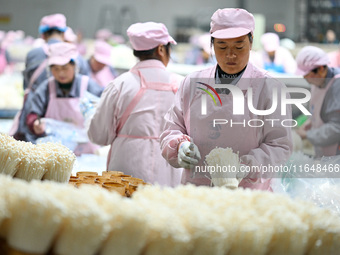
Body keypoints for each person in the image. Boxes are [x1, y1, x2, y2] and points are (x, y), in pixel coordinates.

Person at [160, 8, 293, 190]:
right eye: (222, 47)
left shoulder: (269, 88)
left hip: (247, 194)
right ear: (212, 45)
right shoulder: (192, 83)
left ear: (251, 42)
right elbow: (172, 127)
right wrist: (179, 146)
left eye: (239, 47)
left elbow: (280, 145)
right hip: (196, 192)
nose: (231, 55)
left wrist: (246, 167)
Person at [88, 22, 184, 187]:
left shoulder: (119, 85)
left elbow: (99, 136)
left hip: (126, 175)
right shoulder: (183, 85)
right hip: (169, 175)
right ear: (161, 49)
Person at [26, 42, 103, 155]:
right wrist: (34, 124)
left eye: (65, 68)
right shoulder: (46, 88)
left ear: (74, 66)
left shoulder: (88, 85)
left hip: (86, 151)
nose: (60, 73)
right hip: (55, 151)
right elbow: (33, 114)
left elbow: (105, 108)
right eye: (55, 69)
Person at [295, 46, 340, 158]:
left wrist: (308, 135)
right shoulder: (318, 82)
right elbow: (319, 112)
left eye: (308, 75)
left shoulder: (337, 86)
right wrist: (310, 123)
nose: (306, 79)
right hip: (325, 154)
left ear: (321, 69)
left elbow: (336, 128)